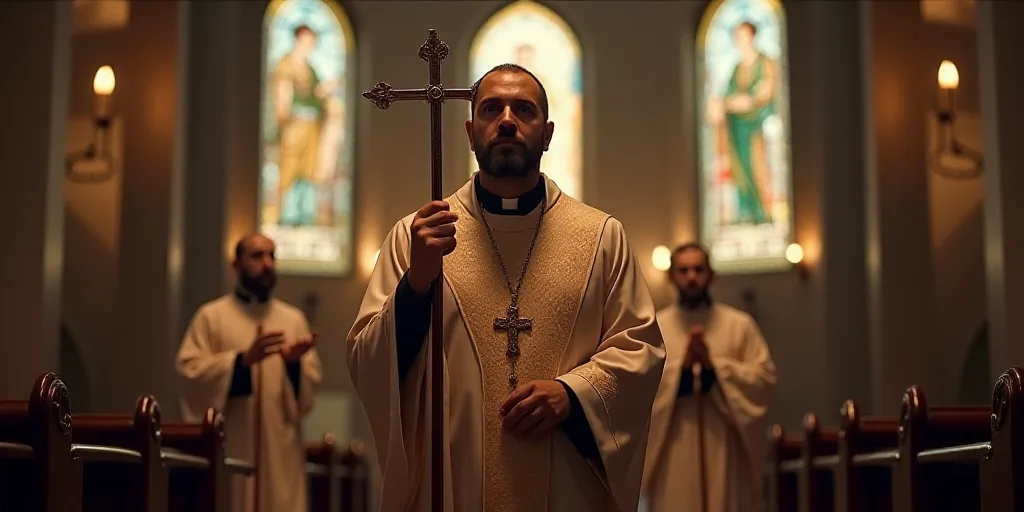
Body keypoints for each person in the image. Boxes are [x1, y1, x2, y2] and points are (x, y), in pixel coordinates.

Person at [347, 63, 666, 511]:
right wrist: (416, 283)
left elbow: (640, 349)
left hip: (565, 486)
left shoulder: (601, 237)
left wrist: (574, 395)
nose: (507, 120)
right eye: (491, 109)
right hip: (456, 486)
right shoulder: (418, 236)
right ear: (470, 132)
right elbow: (367, 362)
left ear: (548, 134)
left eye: (524, 110)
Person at [176, 233, 323, 512]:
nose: (267, 264)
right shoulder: (211, 317)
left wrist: (293, 366)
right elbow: (191, 373)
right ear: (236, 264)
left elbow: (307, 394)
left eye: (271, 256)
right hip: (233, 446)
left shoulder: (293, 320)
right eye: (257, 256)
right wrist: (240, 364)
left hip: (280, 457)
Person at [642, 243, 776, 511]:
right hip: (673, 448)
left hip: (724, 447)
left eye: (698, 269)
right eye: (683, 270)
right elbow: (637, 388)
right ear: (671, 276)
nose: (691, 277)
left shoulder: (740, 325)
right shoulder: (655, 328)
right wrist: (681, 373)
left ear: (711, 274)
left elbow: (764, 379)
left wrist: (715, 369)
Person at [272, 24, 338, 226]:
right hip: (294, 125)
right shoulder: (286, 65)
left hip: (312, 126)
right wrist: (282, 119)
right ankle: (287, 215)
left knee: (309, 169)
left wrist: (325, 92)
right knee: (290, 167)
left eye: (313, 42)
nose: (310, 45)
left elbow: (316, 94)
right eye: (307, 40)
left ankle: (304, 215)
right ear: (298, 39)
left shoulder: (310, 68)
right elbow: (282, 96)